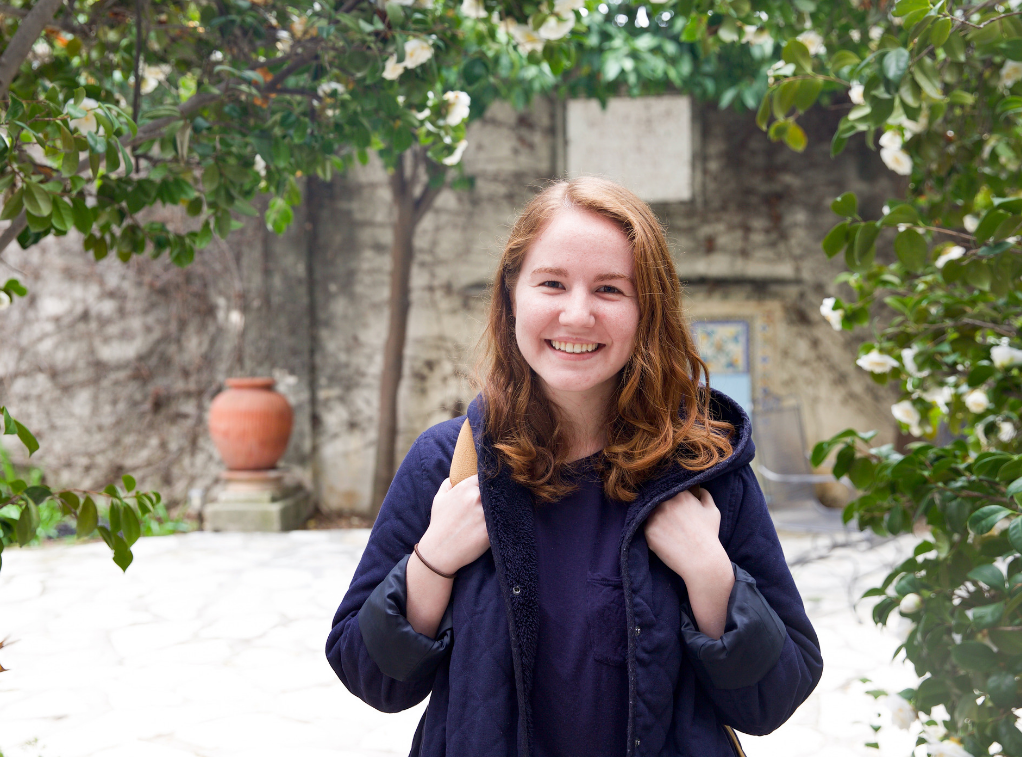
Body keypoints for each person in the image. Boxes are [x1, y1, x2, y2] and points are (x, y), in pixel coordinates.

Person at [324, 177, 822, 756]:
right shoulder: (447, 465)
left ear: (648, 309)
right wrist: (433, 562)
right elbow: (370, 676)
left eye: (610, 289)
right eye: (552, 283)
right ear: (513, 293)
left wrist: (712, 577)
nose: (577, 315)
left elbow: (774, 698)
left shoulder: (703, 471)